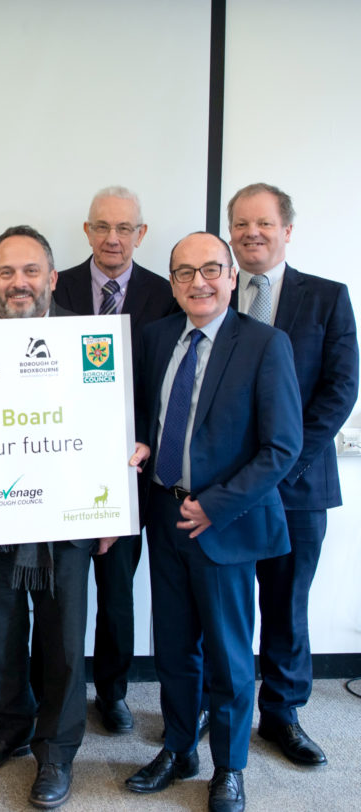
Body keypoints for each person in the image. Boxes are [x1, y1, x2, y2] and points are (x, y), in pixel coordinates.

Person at [124, 232, 302, 812]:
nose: (197, 282)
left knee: (228, 655)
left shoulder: (265, 344)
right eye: (183, 273)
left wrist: (216, 504)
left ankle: (229, 767)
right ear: (171, 282)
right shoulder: (154, 339)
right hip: (165, 515)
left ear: (230, 277)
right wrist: (146, 444)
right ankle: (179, 749)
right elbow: (148, 414)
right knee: (174, 648)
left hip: (222, 524)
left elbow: (281, 448)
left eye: (209, 270)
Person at [0, 225, 100, 809]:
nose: (18, 283)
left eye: (29, 271)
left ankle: (57, 751)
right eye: (5, 272)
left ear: (52, 277)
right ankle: (13, 725)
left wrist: (111, 511)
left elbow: (112, 427)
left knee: (65, 643)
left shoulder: (89, 339)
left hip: (67, 520)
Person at [226, 183, 358, 766]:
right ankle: (220, 706)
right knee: (224, 605)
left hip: (298, 488)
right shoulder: (213, 292)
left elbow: (341, 389)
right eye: (240, 224)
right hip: (222, 488)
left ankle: (283, 714)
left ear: (287, 230)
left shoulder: (327, 298)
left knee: (286, 605)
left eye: (263, 223)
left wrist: (282, 464)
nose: (251, 233)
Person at [53, 186, 177, 735]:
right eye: (102, 226)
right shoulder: (60, 286)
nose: (112, 238)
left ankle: (114, 691)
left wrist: (148, 439)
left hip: (133, 467)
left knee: (119, 593)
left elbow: (169, 385)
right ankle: (61, 692)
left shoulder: (165, 293)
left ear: (140, 234)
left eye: (124, 228)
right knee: (64, 590)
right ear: (86, 230)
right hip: (66, 465)